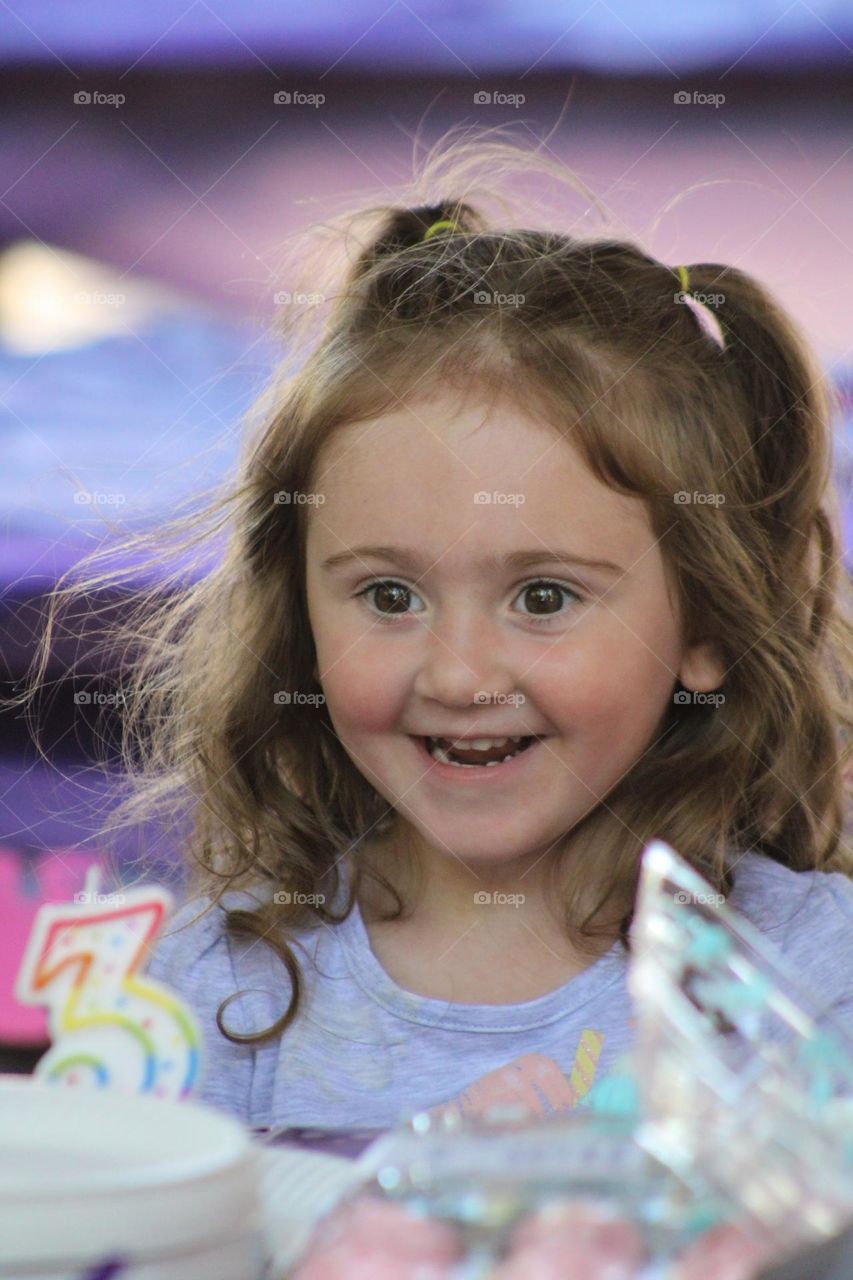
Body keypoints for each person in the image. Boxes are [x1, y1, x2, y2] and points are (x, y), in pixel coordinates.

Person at [34, 138, 853, 1152]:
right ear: (299, 610)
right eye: (388, 593)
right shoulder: (208, 993)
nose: (458, 673)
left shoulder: (813, 982)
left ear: (709, 623)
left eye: (543, 596)